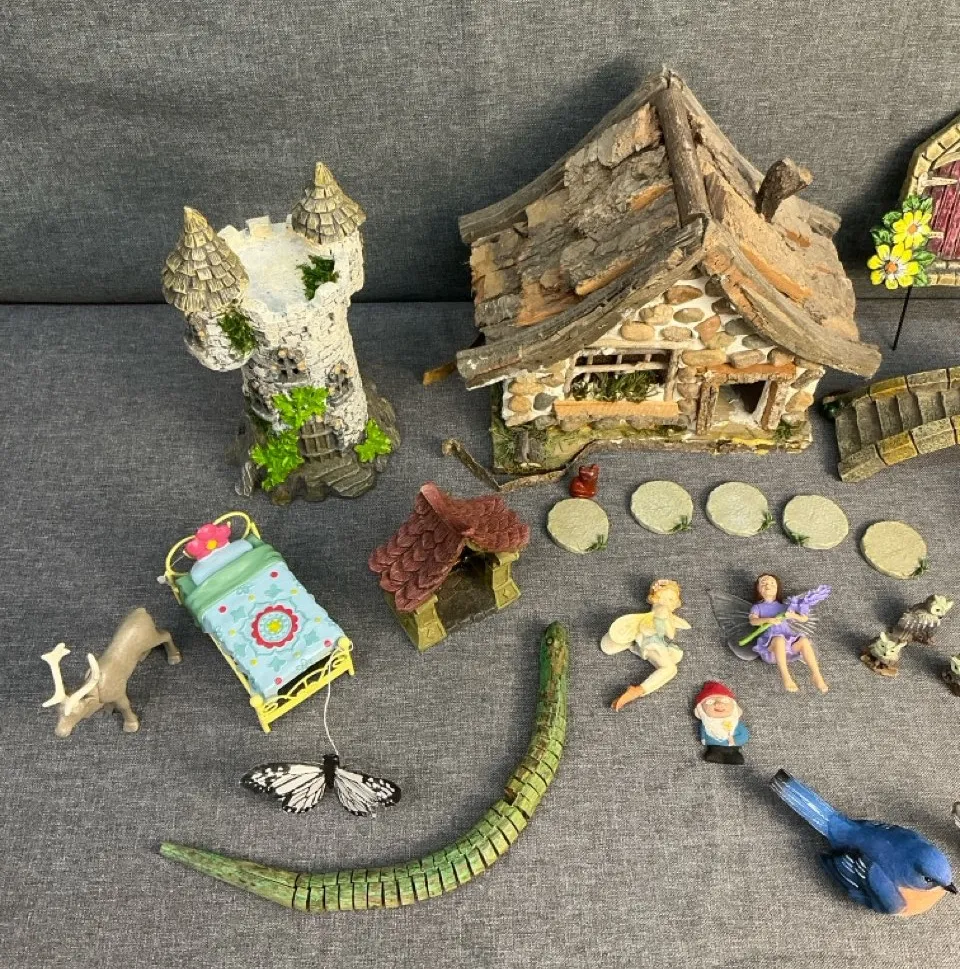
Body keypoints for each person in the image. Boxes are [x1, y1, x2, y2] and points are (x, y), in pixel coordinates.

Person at [601, 579, 690, 711]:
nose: (669, 603)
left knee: (670, 666)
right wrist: (668, 620)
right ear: (656, 598)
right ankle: (637, 690)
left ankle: (638, 690)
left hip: (650, 642)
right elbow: (671, 634)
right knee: (670, 669)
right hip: (652, 643)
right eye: (666, 598)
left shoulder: (658, 611)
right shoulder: (662, 610)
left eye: (672, 600)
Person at [750, 573, 828, 694]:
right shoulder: (758, 607)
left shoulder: (785, 606)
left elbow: (804, 619)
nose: (768, 585)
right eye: (763, 583)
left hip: (789, 647)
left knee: (804, 641)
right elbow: (753, 621)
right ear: (758, 589)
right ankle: (786, 676)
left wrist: (793, 615)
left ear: (777, 588)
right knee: (779, 639)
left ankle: (816, 674)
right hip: (771, 648)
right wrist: (768, 620)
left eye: (772, 583)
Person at [692, 681, 749, 764]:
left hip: (732, 747)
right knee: (713, 753)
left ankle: (734, 756)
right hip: (713, 747)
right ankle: (714, 755)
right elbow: (703, 732)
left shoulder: (736, 725)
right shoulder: (706, 724)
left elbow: (743, 734)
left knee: (734, 756)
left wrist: (735, 740)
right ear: (700, 709)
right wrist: (703, 739)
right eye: (710, 702)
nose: (718, 704)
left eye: (725, 701)